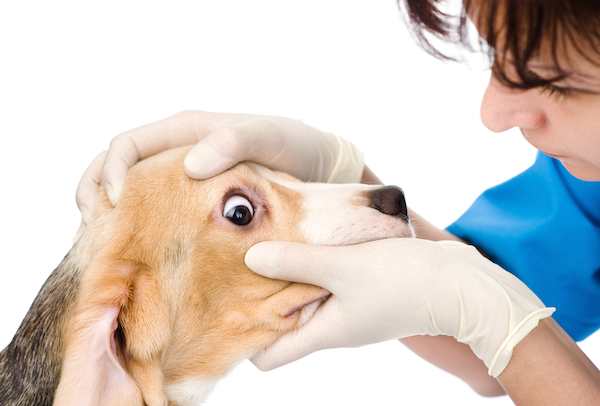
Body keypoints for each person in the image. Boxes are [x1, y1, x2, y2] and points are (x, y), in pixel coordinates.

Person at [70, 0, 600, 405]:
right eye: (499, 57)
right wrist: (343, 172)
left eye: (545, 78)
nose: (493, 111)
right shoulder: (585, 181)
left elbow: (511, 321)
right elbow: (503, 337)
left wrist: (496, 315)